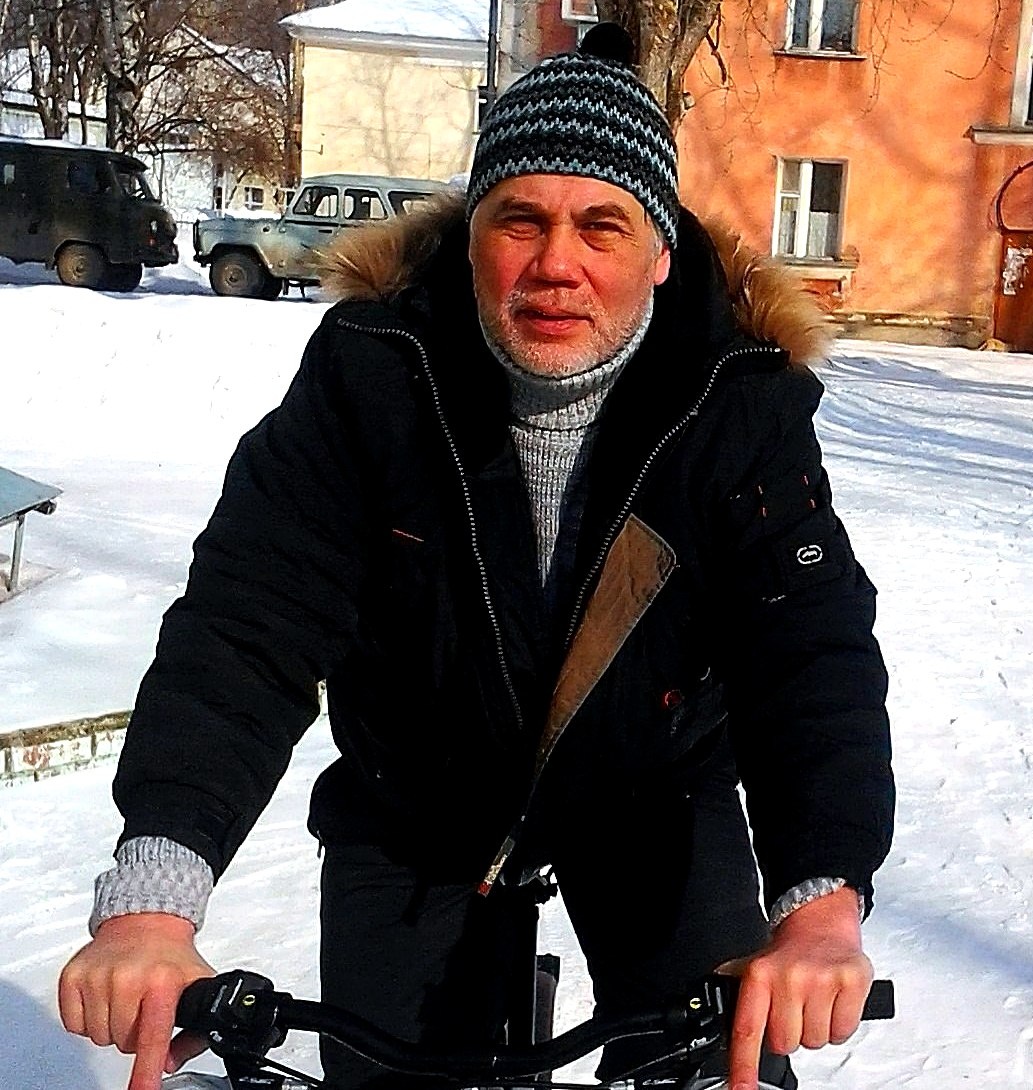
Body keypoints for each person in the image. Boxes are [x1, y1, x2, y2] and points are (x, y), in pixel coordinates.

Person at [58, 24, 894, 1090]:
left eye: (602, 225)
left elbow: (805, 653)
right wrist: (154, 898)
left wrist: (820, 900)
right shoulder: (371, 377)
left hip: (652, 796)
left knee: (716, 1069)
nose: (556, 264)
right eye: (520, 220)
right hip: (417, 801)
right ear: (469, 236)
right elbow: (248, 624)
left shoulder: (738, 402)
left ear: (660, 251)